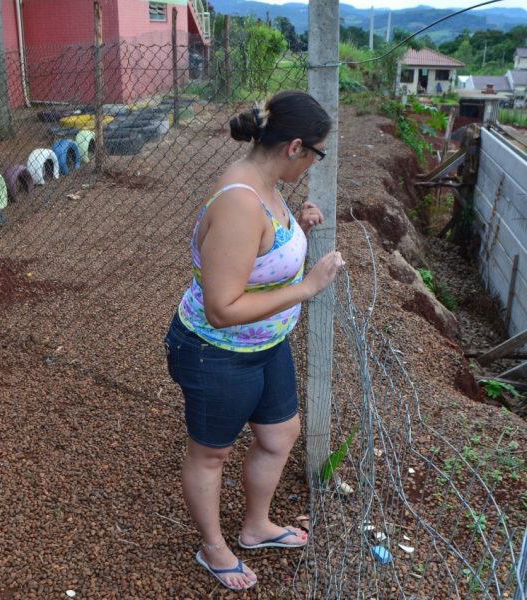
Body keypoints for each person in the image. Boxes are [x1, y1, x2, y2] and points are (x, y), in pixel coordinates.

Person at [164, 90, 344, 591]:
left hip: (266, 344)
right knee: (210, 453)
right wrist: (306, 288)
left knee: (279, 435)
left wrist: (297, 228)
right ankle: (212, 546)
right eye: (316, 152)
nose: (313, 162)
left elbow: (262, 254)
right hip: (215, 352)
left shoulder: (266, 184)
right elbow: (223, 309)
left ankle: (256, 526)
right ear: (294, 147)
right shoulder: (242, 202)